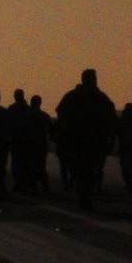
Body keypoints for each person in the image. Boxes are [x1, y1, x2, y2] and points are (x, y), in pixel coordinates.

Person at [55, 69, 118, 209]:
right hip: (88, 141)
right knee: (88, 171)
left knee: (84, 171)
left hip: (83, 141)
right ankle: (85, 195)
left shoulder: (73, 96)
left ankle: (84, 195)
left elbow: (61, 115)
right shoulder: (99, 98)